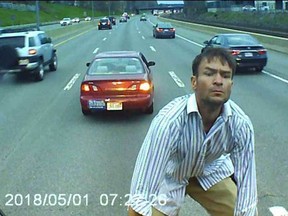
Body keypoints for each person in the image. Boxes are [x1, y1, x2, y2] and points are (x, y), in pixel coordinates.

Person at [127, 47, 257, 216]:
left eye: (225, 76)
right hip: (170, 174)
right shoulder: (169, 122)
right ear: (194, 82)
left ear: (231, 85)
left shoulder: (240, 124)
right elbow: (141, 193)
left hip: (210, 170)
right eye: (209, 74)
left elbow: (247, 182)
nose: (218, 81)